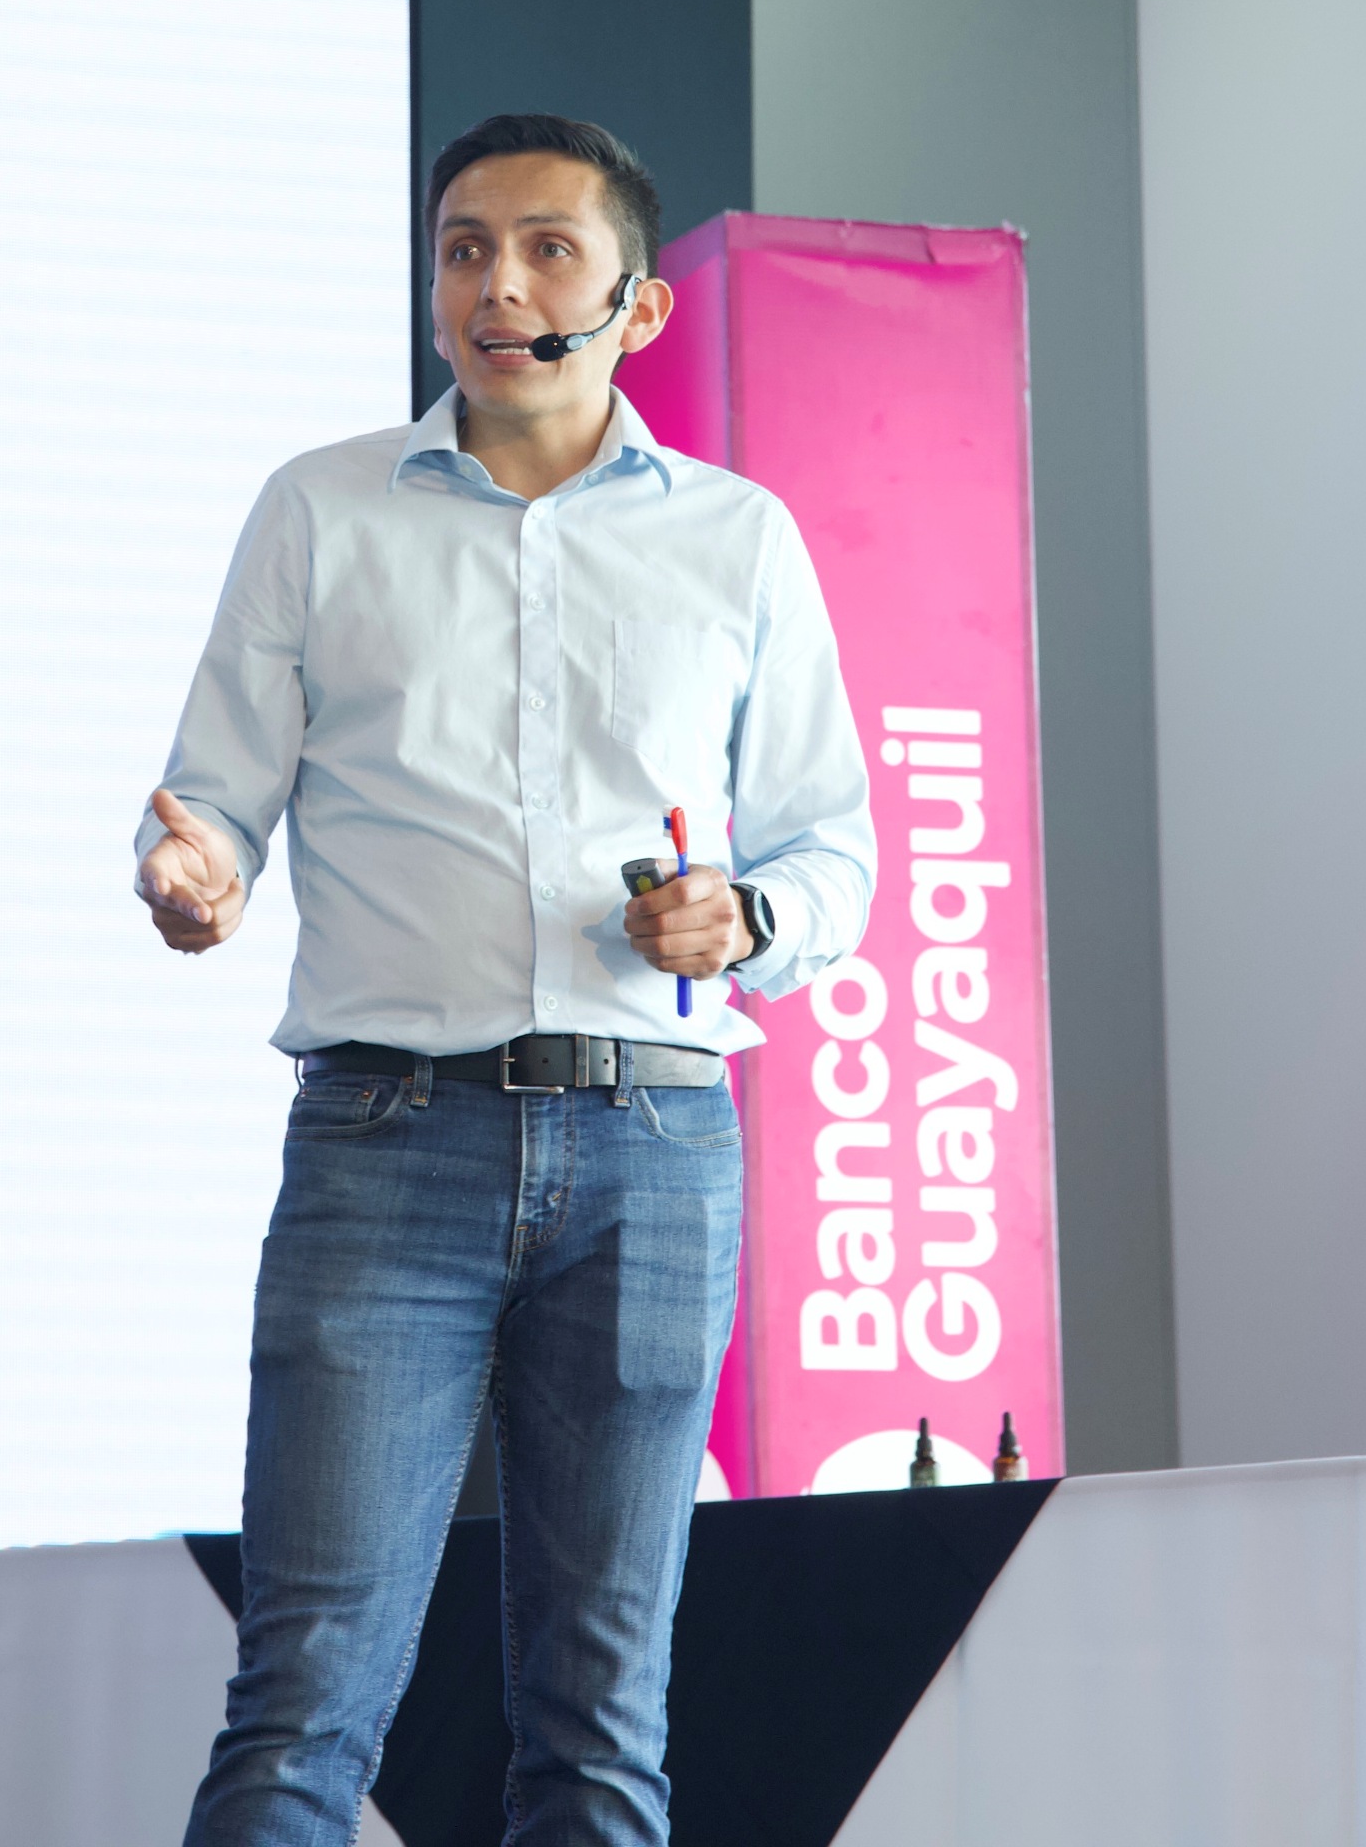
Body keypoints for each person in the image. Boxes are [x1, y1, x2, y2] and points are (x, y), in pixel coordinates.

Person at [138, 114, 874, 1844]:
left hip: (652, 1148)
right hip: (385, 1141)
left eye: (547, 250)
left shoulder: (736, 538)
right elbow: (213, 800)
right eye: (464, 249)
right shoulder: (320, 508)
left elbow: (828, 851)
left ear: (635, 307)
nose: (497, 285)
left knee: (600, 1717)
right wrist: (196, 877)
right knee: (304, 1696)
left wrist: (743, 923)